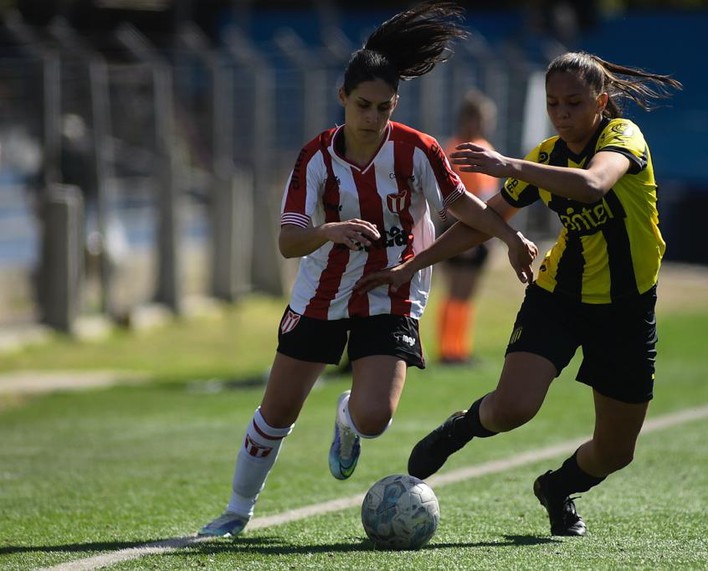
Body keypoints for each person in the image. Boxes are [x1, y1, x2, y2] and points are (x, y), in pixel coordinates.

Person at [198, 2, 538, 538]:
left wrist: (511, 235)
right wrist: (329, 232)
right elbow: (288, 241)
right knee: (278, 409)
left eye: (383, 107)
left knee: (375, 417)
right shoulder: (316, 157)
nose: (372, 117)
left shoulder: (418, 150)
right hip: (322, 292)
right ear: (342, 98)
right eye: (363, 105)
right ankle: (236, 512)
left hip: (393, 289)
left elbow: (462, 206)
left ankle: (348, 420)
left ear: (395, 105)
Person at [356, 51, 682, 537]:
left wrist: (507, 162)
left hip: (627, 309)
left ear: (601, 102)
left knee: (616, 452)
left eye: (574, 102)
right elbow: (483, 222)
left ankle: (557, 488)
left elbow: (593, 185)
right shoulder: (545, 156)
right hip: (559, 297)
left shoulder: (623, 137)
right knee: (514, 408)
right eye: (553, 104)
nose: (563, 114)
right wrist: (412, 265)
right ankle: (461, 427)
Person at [437, 89, 500, 364]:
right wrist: (461, 233)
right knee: (456, 291)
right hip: (460, 228)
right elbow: (450, 196)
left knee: (466, 294)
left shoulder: (485, 148)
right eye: (475, 118)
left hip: (481, 230)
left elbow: (488, 195)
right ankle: (449, 350)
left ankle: (459, 348)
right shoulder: (454, 150)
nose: (479, 123)